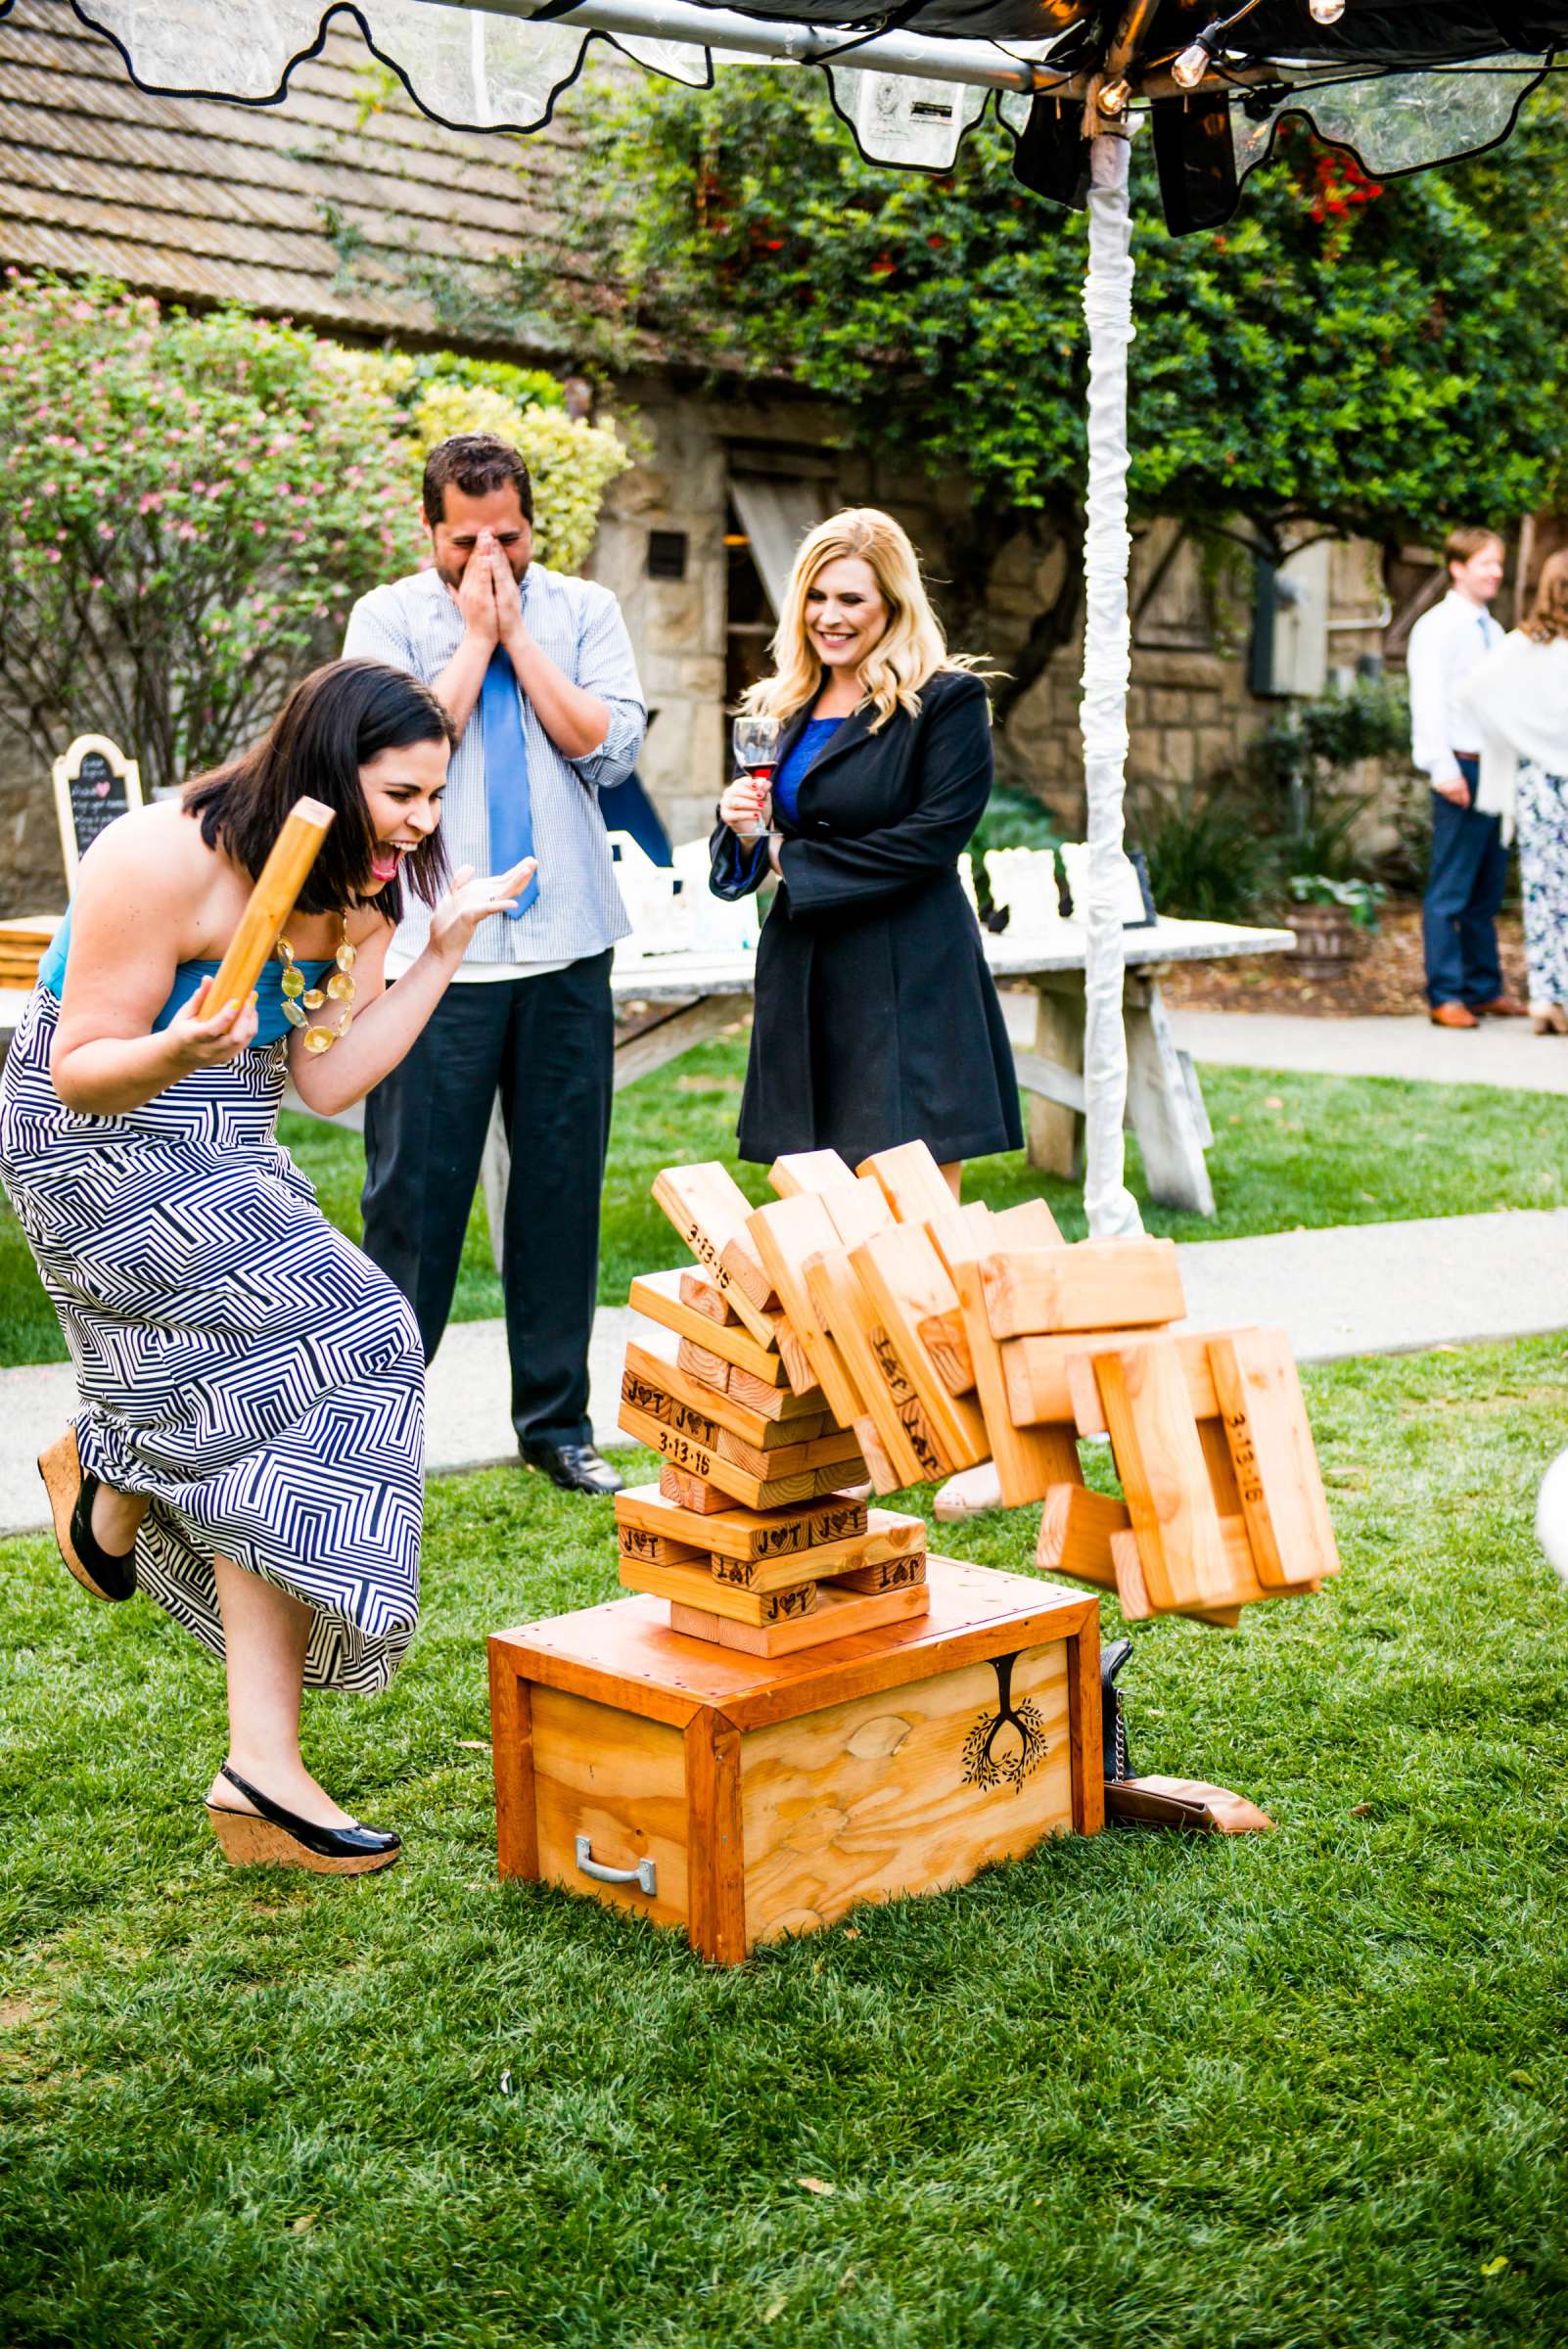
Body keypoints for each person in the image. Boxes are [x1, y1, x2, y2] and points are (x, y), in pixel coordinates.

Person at [0, 660, 534, 1873]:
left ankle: (259, 1769)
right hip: (98, 1141)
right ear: (325, 767)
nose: (423, 823)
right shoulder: (160, 858)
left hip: (226, 1138)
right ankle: (121, 1455)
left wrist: (435, 953)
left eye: (436, 798)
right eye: (403, 793)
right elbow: (80, 1065)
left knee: (295, 1395)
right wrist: (175, 1045)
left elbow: (328, 1081)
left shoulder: (363, 892)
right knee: (353, 1332)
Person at [345, 434, 645, 1497]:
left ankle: (556, 1425)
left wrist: (523, 641)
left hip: (566, 943)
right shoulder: (387, 620)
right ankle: (378, 1425)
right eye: (465, 537)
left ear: (532, 525)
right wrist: (475, 641)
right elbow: (396, 757)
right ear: (429, 530)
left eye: (508, 536)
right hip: (438, 954)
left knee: (561, 1192)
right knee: (414, 1202)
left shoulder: (584, 611)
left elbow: (610, 747)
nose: (489, 556)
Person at [710, 507, 1022, 1184]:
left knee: (910, 1217)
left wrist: (788, 858)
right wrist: (740, 825)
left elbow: (931, 841)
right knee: (812, 1210)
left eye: (851, 598)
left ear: (892, 604)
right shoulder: (780, 705)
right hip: (805, 973)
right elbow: (754, 842)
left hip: (908, 973)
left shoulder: (946, 701)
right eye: (816, 597)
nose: (830, 615)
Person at [1407, 526, 1528, 1029]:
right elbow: (1428, 700)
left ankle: (1483, 988)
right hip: (1461, 767)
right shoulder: (1437, 627)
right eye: (1486, 563)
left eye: (1499, 564)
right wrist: (1442, 767)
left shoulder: (1494, 632)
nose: (1496, 572)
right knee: (1451, 888)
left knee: (1486, 889)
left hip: (1496, 771)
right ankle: (1445, 994)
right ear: (1457, 567)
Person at [1461, 547, 1568, 1035]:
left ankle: (1548, 998)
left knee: (1543, 893)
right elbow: (1475, 690)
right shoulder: (1532, 644)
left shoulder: (1526, 642)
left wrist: (1524, 740)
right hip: (1550, 784)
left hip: (1539, 785)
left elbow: (1475, 690)